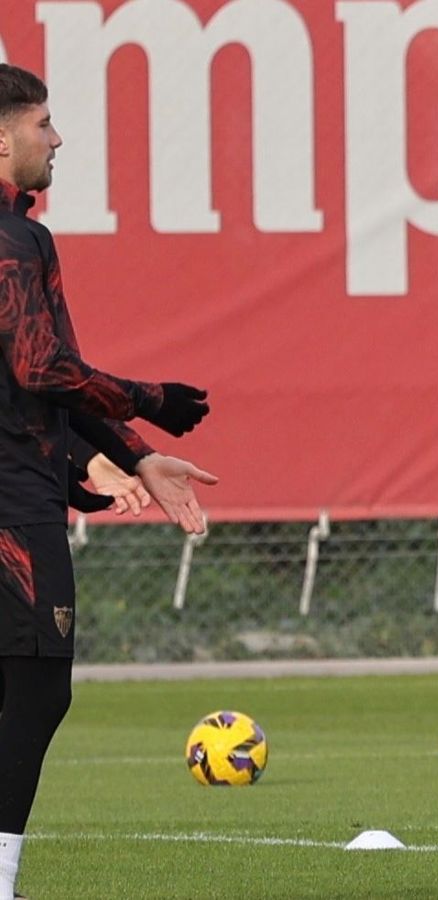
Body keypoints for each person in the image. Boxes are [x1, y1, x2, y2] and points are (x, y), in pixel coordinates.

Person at [0, 63, 217, 899]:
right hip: (13, 507)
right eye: (44, 123)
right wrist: (151, 403)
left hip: (24, 483)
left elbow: (41, 379)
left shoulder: (28, 235)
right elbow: (42, 366)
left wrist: (133, 456)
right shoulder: (16, 241)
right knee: (39, 686)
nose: (57, 139)